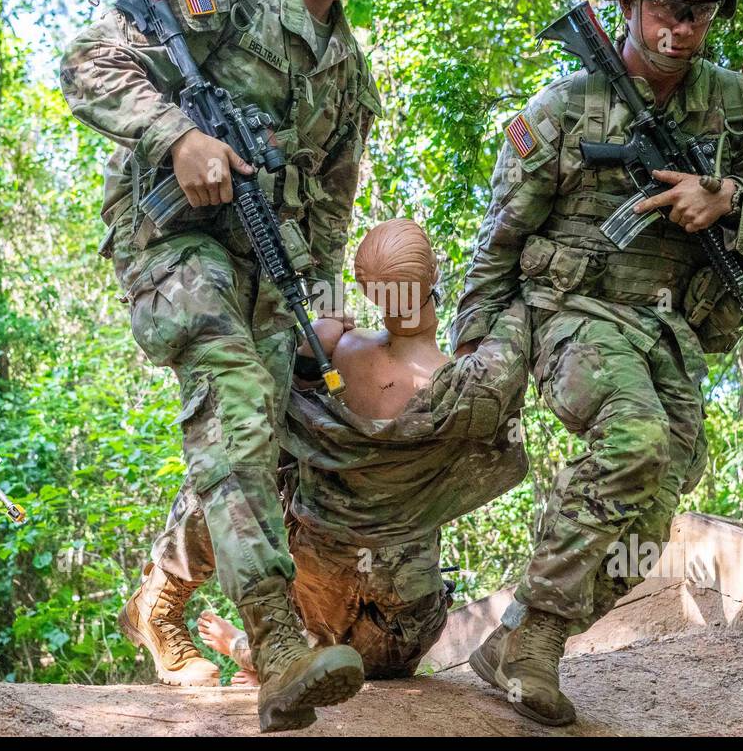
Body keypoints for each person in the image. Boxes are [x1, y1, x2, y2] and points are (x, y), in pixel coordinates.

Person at [59, 0, 415, 732]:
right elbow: (87, 61)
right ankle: (278, 642)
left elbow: (329, 208)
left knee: (263, 429)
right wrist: (178, 134)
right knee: (235, 398)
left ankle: (161, 596)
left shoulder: (348, 72)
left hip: (270, 267)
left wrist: (314, 312)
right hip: (170, 239)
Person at [451, 0, 743, 726]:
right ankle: (539, 637)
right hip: (572, 313)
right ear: (630, 0)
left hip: (671, 334)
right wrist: (475, 355)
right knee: (635, 438)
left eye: (701, 11)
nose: (682, 27)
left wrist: (729, 198)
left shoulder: (742, 111)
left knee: (654, 506)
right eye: (667, 7)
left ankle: (511, 638)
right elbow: (498, 241)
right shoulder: (561, 108)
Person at [185, 219, 530, 682]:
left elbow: (272, 385)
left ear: (369, 293)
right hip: (398, 628)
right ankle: (267, 653)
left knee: (299, 577)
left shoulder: (331, 350)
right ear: (435, 273)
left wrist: (324, 330)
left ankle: (258, 650)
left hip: (312, 593)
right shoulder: (456, 386)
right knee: (389, 644)